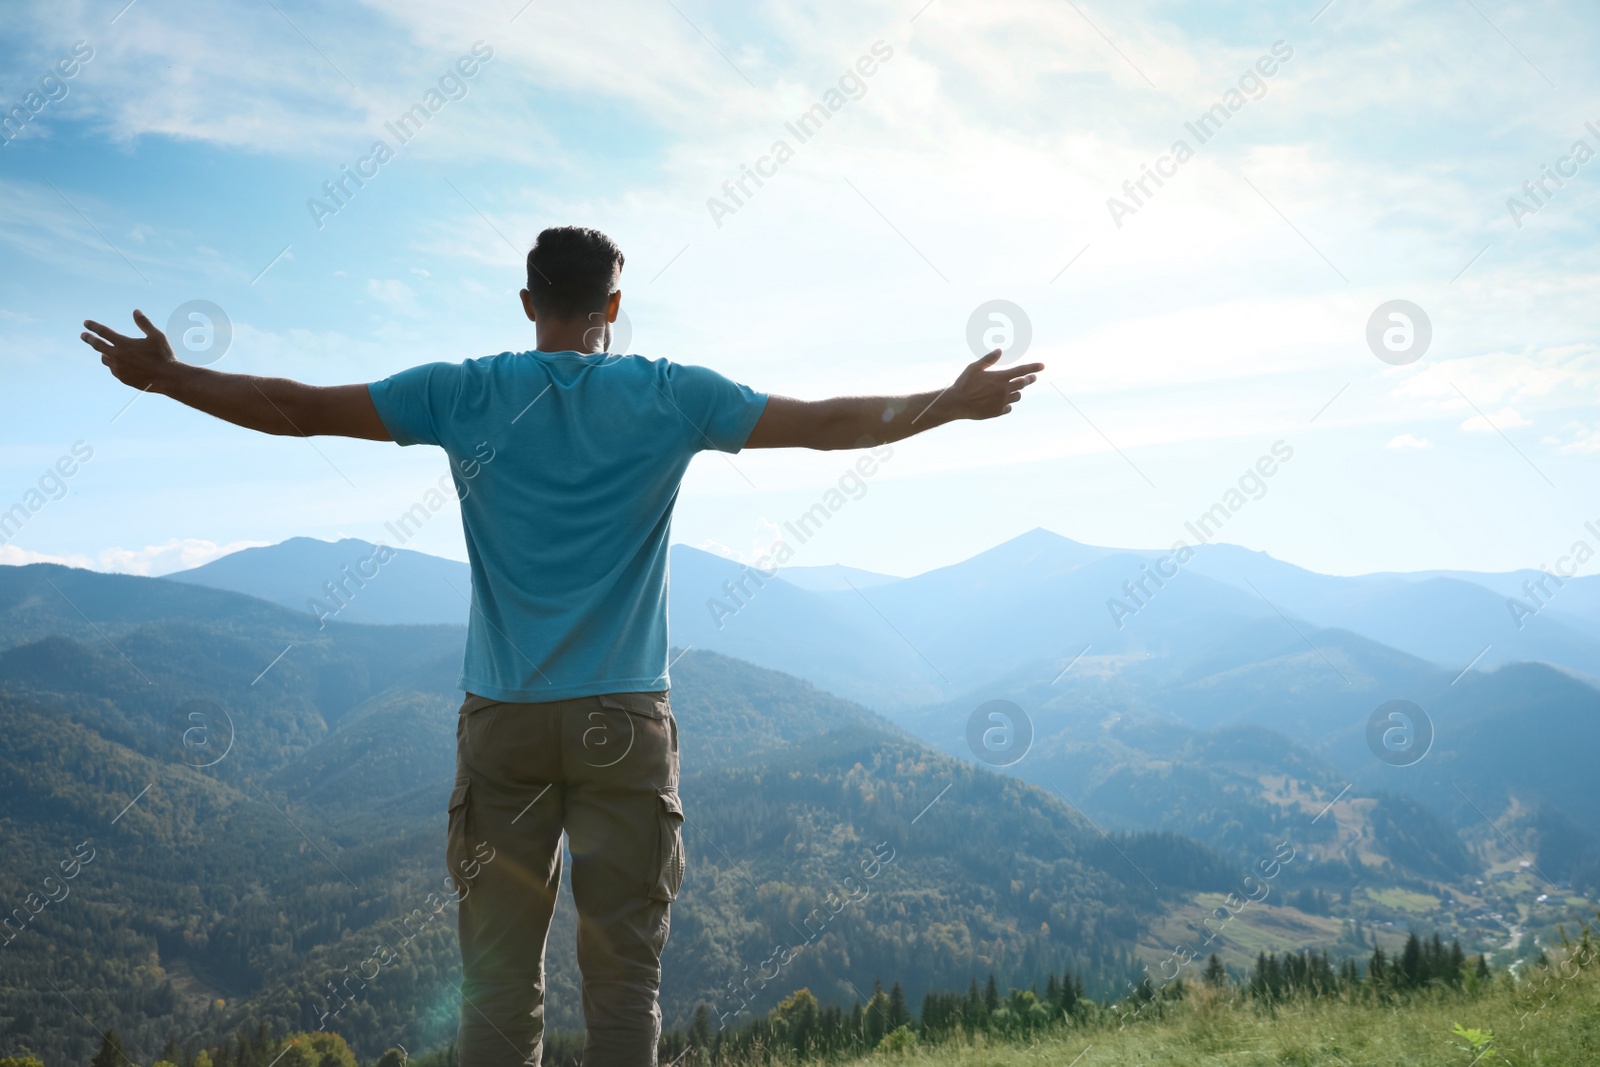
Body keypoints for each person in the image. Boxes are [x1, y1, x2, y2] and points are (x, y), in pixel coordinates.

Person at [81, 225, 1044, 1067]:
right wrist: (947, 402)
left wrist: (169, 377)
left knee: (498, 981)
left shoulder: (462, 393)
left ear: (529, 301)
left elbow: (299, 408)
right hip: (625, 719)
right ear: (614, 307)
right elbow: (829, 424)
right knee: (625, 981)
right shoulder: (674, 395)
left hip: (503, 721)